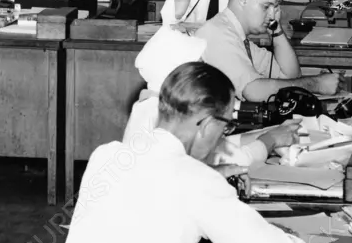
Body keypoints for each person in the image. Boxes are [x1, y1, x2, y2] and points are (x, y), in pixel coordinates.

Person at [63, 60, 308, 243]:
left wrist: (211, 178)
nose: (221, 138)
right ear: (208, 124)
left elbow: (154, 188)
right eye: (225, 128)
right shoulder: (198, 181)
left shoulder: (105, 156)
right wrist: (294, 239)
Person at [123, 25, 302, 169]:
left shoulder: (153, 106)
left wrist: (269, 133)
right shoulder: (153, 120)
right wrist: (270, 140)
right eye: (199, 67)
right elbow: (228, 160)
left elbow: (219, 144)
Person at [196, 0, 342, 103]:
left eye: (275, 7)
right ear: (243, 0)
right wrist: (316, 84)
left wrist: (276, 30)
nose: (272, 15)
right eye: (266, 6)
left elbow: (290, 75)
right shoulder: (218, 34)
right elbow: (253, 91)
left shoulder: (237, 36)